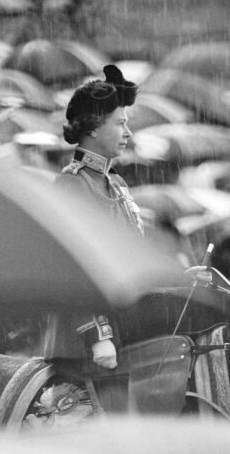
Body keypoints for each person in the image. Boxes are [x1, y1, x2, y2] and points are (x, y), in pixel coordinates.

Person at [46, 64, 143, 373]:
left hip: (126, 332)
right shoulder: (72, 185)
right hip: (83, 346)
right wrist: (98, 335)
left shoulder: (117, 184)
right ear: (92, 127)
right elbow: (70, 271)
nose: (127, 132)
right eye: (119, 123)